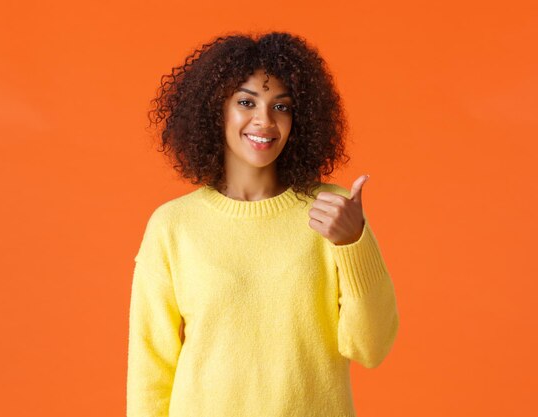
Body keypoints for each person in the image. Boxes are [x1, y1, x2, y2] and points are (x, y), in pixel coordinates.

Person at [126, 31, 399, 417]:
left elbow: (371, 348)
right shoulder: (173, 225)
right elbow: (150, 367)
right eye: (245, 102)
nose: (264, 121)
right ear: (214, 109)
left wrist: (355, 243)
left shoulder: (333, 212)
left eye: (281, 107)